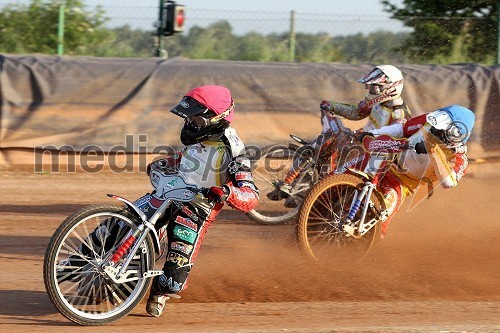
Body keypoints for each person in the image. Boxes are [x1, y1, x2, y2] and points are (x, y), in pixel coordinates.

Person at [144, 85, 259, 317]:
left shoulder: (234, 150)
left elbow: (251, 195)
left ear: (216, 119)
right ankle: (80, 259)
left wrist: (228, 193)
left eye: (196, 120)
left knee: (173, 282)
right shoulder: (200, 139)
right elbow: (189, 160)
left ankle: (158, 290)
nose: (190, 124)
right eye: (189, 119)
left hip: (195, 211)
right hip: (167, 195)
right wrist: (167, 163)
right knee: (120, 223)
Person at [268, 65, 411, 205]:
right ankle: (296, 184)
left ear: (391, 87)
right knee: (321, 144)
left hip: (372, 154)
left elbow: (395, 138)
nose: (372, 90)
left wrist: (369, 135)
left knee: (335, 158)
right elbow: (357, 112)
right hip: (358, 142)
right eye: (372, 87)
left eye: (376, 87)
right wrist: (333, 106)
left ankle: (314, 195)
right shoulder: (377, 102)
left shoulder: (399, 113)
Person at [358, 104, 475, 238]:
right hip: (386, 158)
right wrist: (373, 134)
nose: (435, 130)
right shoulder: (428, 120)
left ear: (454, 135)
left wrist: (434, 153)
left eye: (441, 130)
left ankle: (363, 246)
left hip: (401, 183)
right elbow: (402, 128)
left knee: (380, 217)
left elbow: (448, 182)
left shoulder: (459, 158)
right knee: (350, 176)